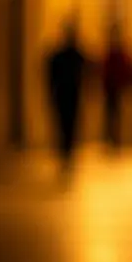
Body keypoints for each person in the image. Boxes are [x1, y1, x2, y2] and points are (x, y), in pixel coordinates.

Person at [46, 23, 86, 177]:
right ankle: (65, 151)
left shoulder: (71, 54)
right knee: (65, 124)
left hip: (68, 95)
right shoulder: (65, 55)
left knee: (68, 124)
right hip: (66, 94)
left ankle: (67, 151)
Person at [102, 29, 132, 149]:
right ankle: (111, 138)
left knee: (114, 114)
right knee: (112, 114)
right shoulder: (113, 55)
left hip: (115, 88)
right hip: (111, 88)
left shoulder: (117, 55)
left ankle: (114, 139)